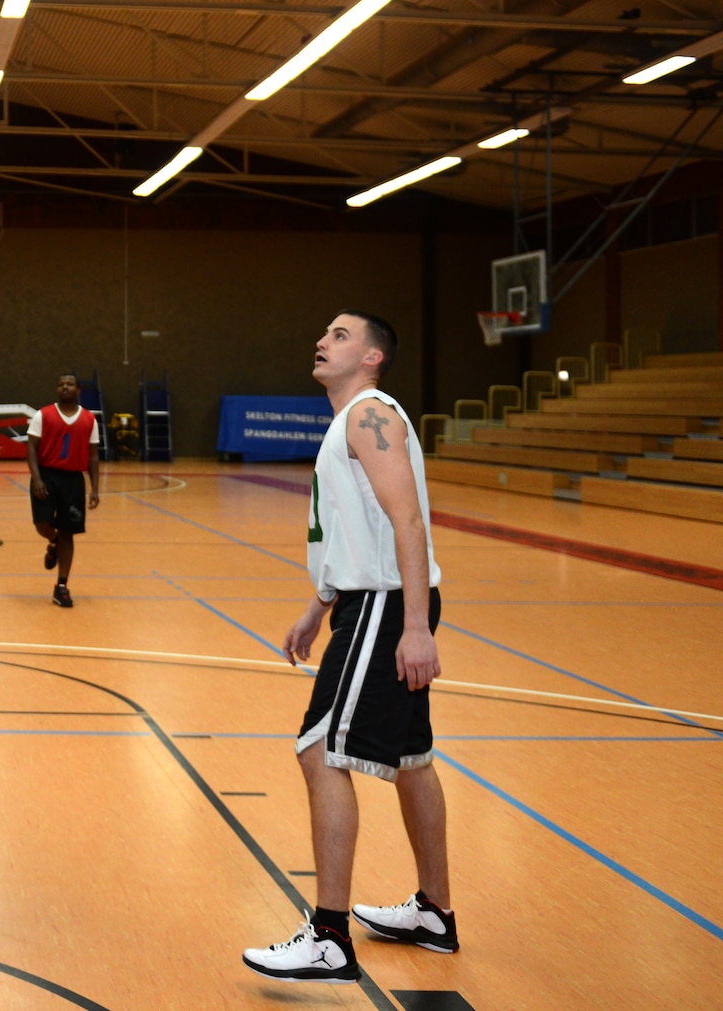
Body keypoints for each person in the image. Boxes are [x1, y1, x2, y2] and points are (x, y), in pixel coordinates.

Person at [243, 312, 453, 985]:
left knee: (317, 746)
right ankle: (434, 912)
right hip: (372, 600)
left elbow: (407, 519)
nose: (322, 339)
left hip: (389, 604)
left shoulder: (369, 413)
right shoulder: (348, 421)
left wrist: (415, 624)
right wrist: (316, 608)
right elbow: (352, 533)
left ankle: (329, 935)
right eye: (323, 331)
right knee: (412, 760)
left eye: (338, 333)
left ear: (371, 356)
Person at [25, 374, 100, 608]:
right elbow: (31, 449)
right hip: (46, 477)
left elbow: (94, 456)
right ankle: (53, 541)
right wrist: (37, 478)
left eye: (69, 384)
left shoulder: (89, 419)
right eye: (60, 384)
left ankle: (62, 587)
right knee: (42, 525)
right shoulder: (43, 414)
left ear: (78, 389)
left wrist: (95, 489)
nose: (64, 387)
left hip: (73, 481)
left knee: (69, 532)